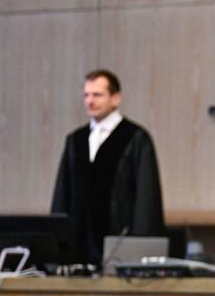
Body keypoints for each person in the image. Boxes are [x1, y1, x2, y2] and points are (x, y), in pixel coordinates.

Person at [51, 69, 165, 266]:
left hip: (120, 242)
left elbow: (147, 198)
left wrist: (140, 249)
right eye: (86, 95)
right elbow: (63, 195)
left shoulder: (135, 138)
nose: (90, 101)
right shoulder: (75, 141)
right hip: (79, 248)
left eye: (97, 95)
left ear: (116, 98)